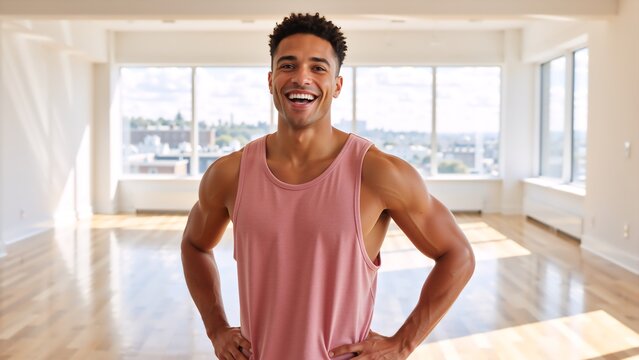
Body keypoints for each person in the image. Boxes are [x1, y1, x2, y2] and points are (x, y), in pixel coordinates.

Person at [181, 12, 475, 360]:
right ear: (271, 79)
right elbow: (194, 245)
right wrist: (216, 328)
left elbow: (458, 255)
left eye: (318, 67)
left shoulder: (379, 173)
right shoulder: (229, 174)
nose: (301, 78)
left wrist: (402, 343)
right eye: (288, 66)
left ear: (336, 85)